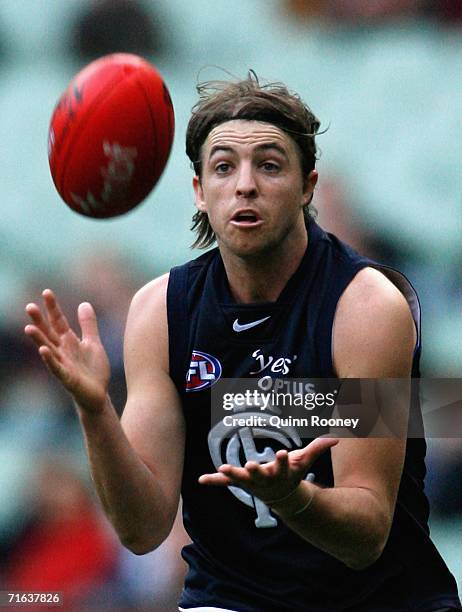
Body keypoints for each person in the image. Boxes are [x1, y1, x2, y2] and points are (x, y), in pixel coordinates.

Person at [24, 73, 460, 611]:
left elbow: (366, 535)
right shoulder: (161, 313)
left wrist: (291, 499)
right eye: (224, 166)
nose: (245, 185)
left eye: (270, 165)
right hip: (229, 599)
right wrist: (95, 411)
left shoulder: (365, 309)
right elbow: (142, 530)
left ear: (308, 187)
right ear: (199, 191)